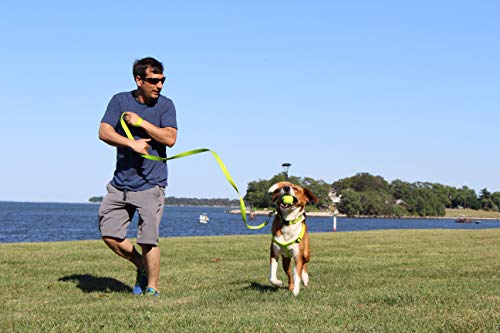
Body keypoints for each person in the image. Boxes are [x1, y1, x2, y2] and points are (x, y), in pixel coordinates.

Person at [98, 57, 177, 297]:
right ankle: (141, 266)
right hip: (120, 184)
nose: (159, 85)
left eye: (162, 80)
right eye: (153, 81)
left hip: (151, 184)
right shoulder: (119, 100)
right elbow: (104, 131)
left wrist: (141, 122)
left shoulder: (166, 105)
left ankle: (152, 289)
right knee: (110, 235)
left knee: (148, 240)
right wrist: (131, 144)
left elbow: (170, 139)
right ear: (139, 80)